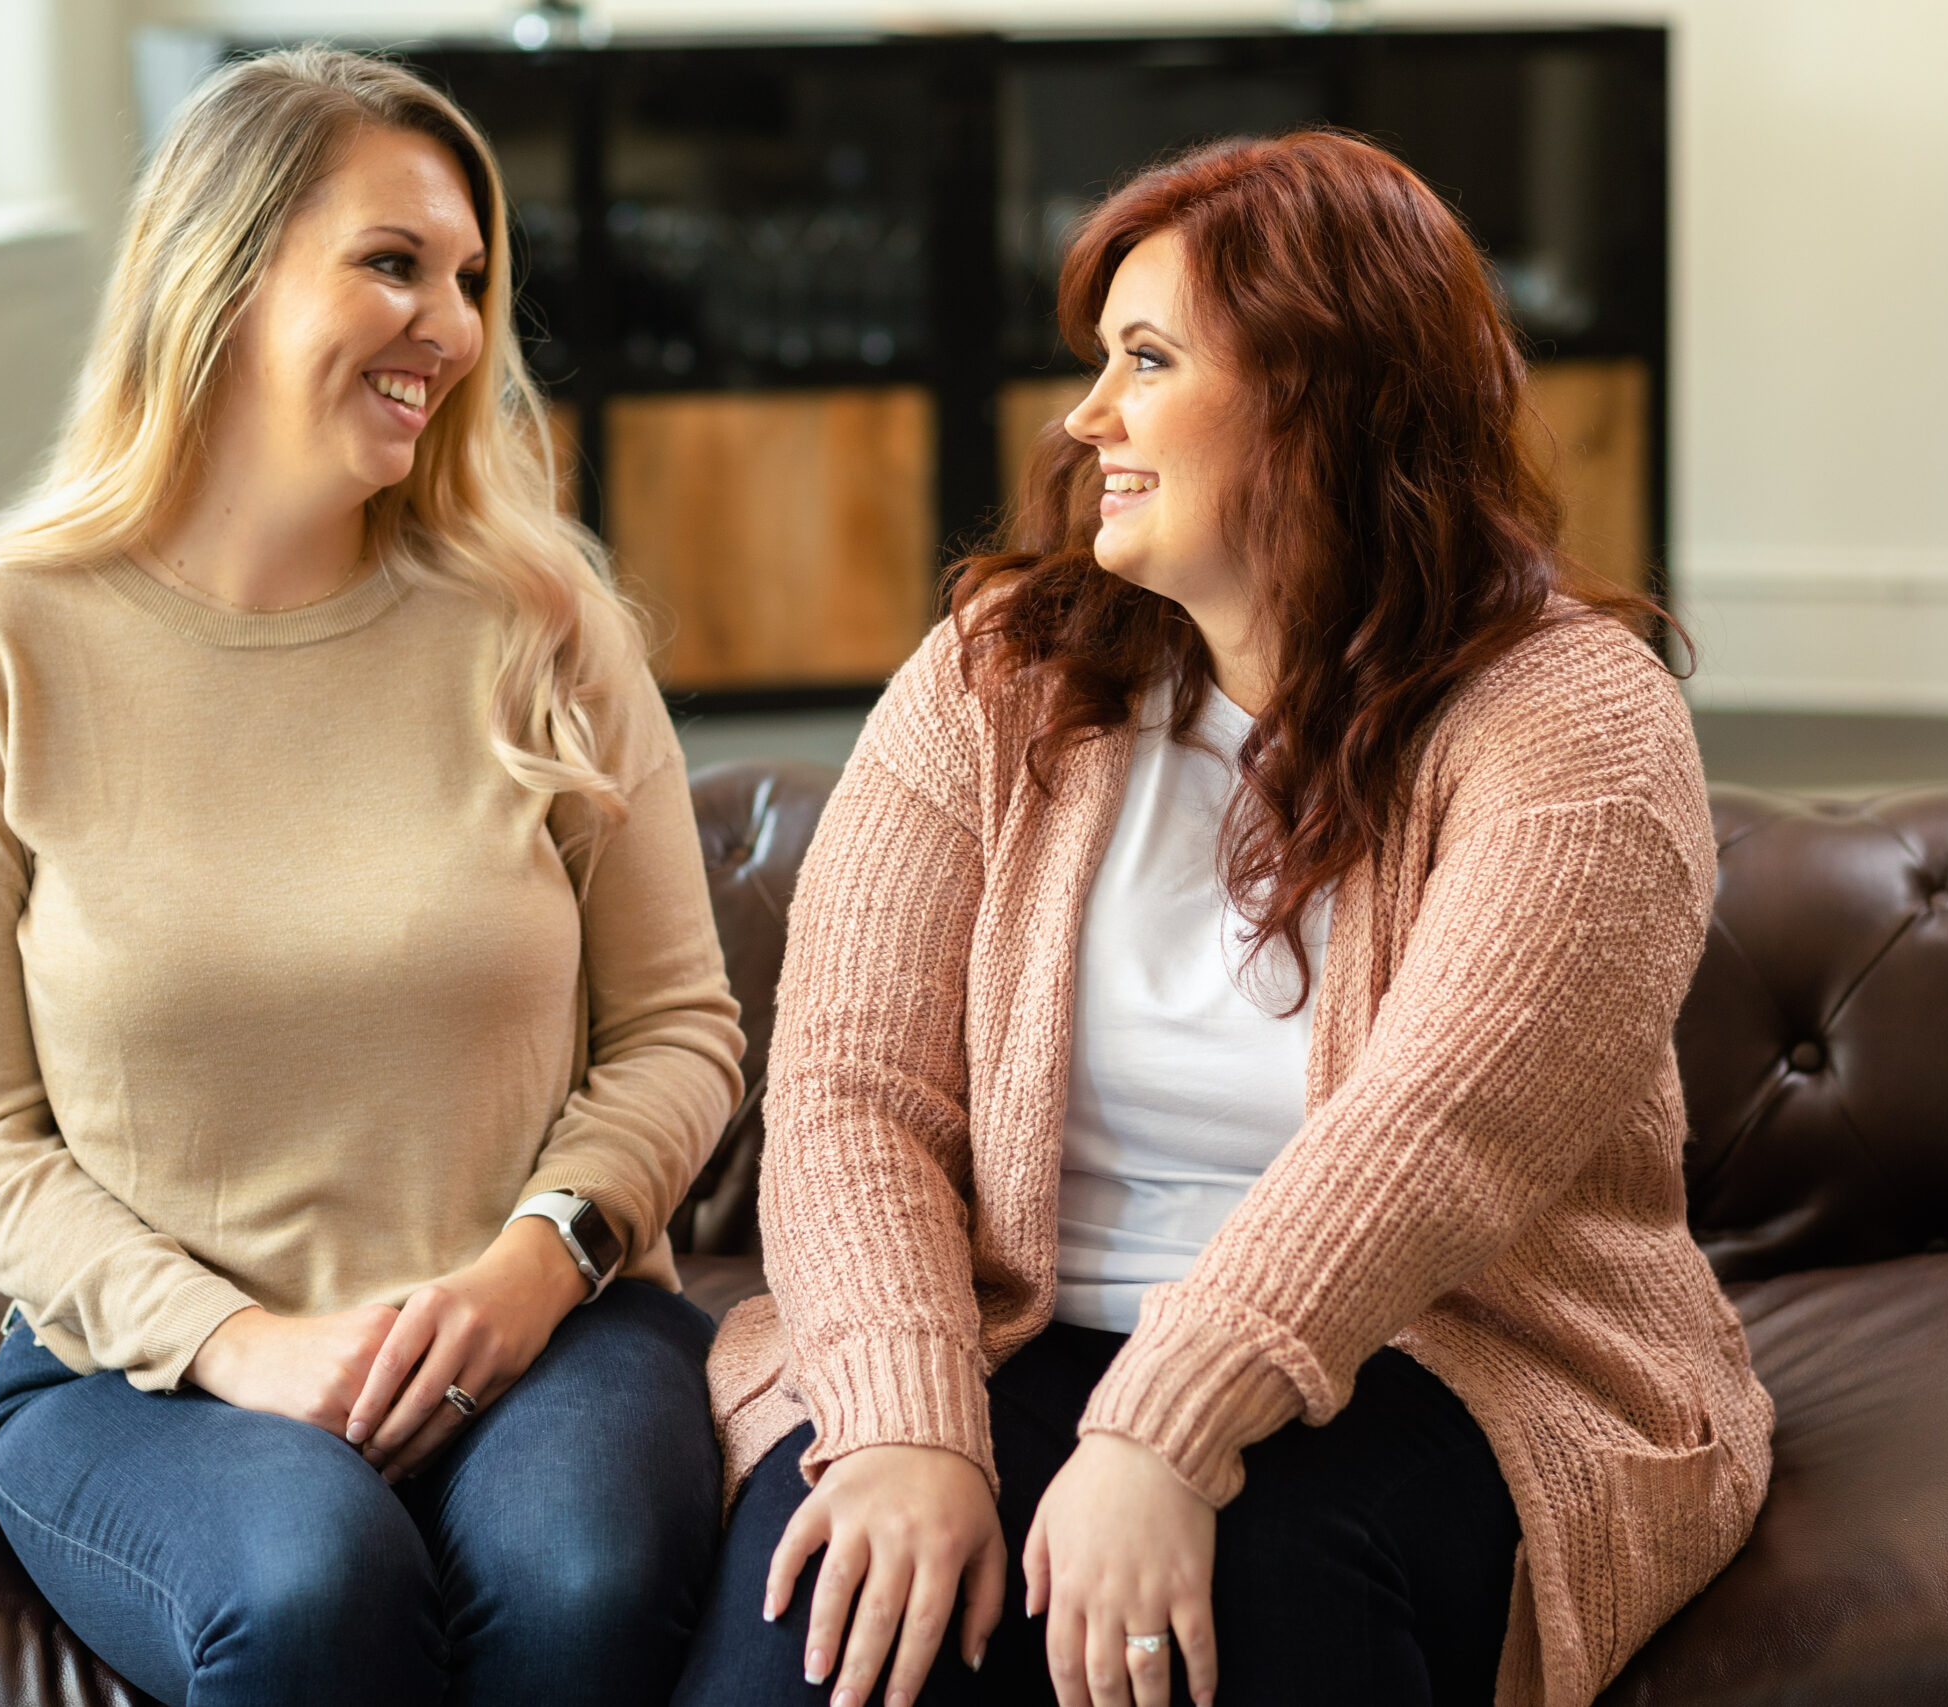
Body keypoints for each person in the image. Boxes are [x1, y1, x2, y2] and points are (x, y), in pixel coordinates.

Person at [678, 131, 1772, 1707]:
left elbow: (1433, 1135)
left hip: (1440, 1350)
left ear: (1322, 395)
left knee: (1255, 1601)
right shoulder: (998, 677)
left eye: (1146, 359)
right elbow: (854, 1094)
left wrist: (1160, 1434)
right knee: (827, 1628)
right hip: (1012, 1322)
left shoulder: (1574, 720)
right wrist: (906, 1421)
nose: (1086, 417)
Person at [0, 48, 745, 1707]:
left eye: (473, 278)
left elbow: (683, 1031)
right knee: (309, 1584)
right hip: (153, 1378)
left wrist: (532, 1265)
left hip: (552, 1323)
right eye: (393, 263)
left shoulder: (545, 625)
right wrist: (238, 1345)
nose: (457, 329)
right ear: (223, 269)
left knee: (581, 1570)